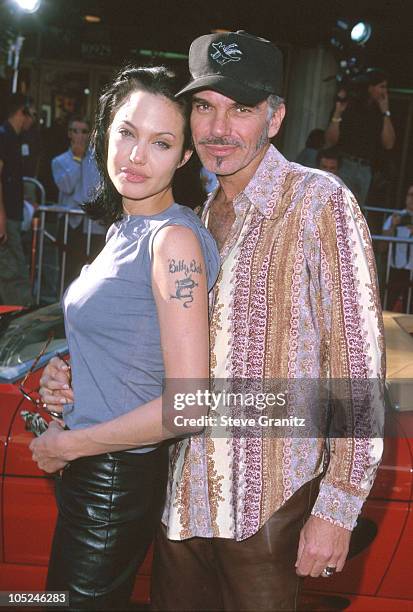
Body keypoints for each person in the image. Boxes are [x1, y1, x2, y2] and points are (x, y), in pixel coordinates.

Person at [38, 32, 385, 612]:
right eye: (205, 106)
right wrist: (76, 373)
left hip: (268, 505)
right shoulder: (192, 219)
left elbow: (358, 362)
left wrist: (337, 507)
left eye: (241, 109)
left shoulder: (318, 202)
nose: (219, 128)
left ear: (274, 118)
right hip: (180, 500)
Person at [29, 65, 220, 610]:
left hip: (112, 478)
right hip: (95, 468)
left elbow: (188, 406)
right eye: (127, 133)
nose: (137, 157)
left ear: (184, 157)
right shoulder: (123, 230)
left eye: (161, 143)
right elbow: (127, 344)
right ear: (104, 131)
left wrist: (71, 444)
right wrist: (66, 372)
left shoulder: (173, 241)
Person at [325, 69, 396, 206]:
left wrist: (385, 112)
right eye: (381, 87)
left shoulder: (378, 112)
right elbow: (330, 140)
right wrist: (338, 112)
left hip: (365, 168)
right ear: (370, 88)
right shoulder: (350, 106)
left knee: (356, 211)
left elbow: (389, 144)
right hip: (345, 164)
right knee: (339, 207)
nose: (384, 92)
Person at [52, 117, 107, 287]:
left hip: (94, 224)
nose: (80, 136)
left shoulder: (98, 160)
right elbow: (66, 186)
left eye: (84, 131)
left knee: (93, 271)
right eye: (75, 131)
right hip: (71, 223)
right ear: (69, 134)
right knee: (68, 270)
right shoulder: (59, 161)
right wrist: (77, 159)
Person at [0, 93, 36, 305]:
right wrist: (2, 217)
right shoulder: (5, 136)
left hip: (11, 214)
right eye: (31, 114)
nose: (32, 121)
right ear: (21, 112)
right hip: (7, 218)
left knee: (10, 272)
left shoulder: (11, 136)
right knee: (14, 274)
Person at [382, 184, 413, 311]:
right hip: (395, 271)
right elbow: (382, 247)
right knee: (387, 307)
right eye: (410, 195)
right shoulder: (394, 217)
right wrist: (393, 227)